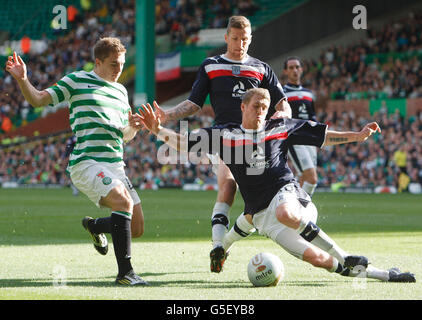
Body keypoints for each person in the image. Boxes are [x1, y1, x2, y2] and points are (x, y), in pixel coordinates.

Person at [136, 88, 415, 283]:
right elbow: (184, 143)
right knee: (321, 261)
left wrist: (356, 135)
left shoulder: (279, 127)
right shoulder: (223, 135)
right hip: (263, 217)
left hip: (291, 197)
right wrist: (157, 130)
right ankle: (383, 274)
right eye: (255, 106)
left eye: (264, 107)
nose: (260, 111)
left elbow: (323, 136)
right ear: (243, 107)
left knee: (284, 213)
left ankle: (348, 256)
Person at [6, 37, 148, 286]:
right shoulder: (77, 80)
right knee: (123, 202)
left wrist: (134, 127)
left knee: (136, 228)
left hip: (116, 165)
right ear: (98, 62)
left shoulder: (121, 90)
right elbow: (39, 99)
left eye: (122, 64)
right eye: (114, 64)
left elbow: (123, 135)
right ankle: (125, 274)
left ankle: (94, 226)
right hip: (87, 162)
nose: (119, 70)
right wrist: (22, 79)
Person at [154, 15, 292, 272]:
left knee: (256, 200)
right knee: (227, 185)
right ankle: (218, 246)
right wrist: (167, 114)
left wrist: (282, 115)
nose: (240, 44)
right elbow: (194, 104)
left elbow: (283, 105)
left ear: (251, 39)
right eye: (236, 38)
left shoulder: (262, 68)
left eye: (245, 39)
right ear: (226, 37)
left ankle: (226, 243)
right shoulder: (211, 65)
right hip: (224, 137)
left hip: (255, 140)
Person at [282, 57, 318, 197]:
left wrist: (317, 138)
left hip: (310, 140)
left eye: (297, 67)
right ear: (285, 71)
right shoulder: (282, 92)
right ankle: (302, 209)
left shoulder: (308, 94)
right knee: (312, 178)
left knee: (304, 178)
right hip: (295, 139)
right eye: (291, 68)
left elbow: (312, 117)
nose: (295, 70)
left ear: (301, 69)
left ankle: (292, 208)